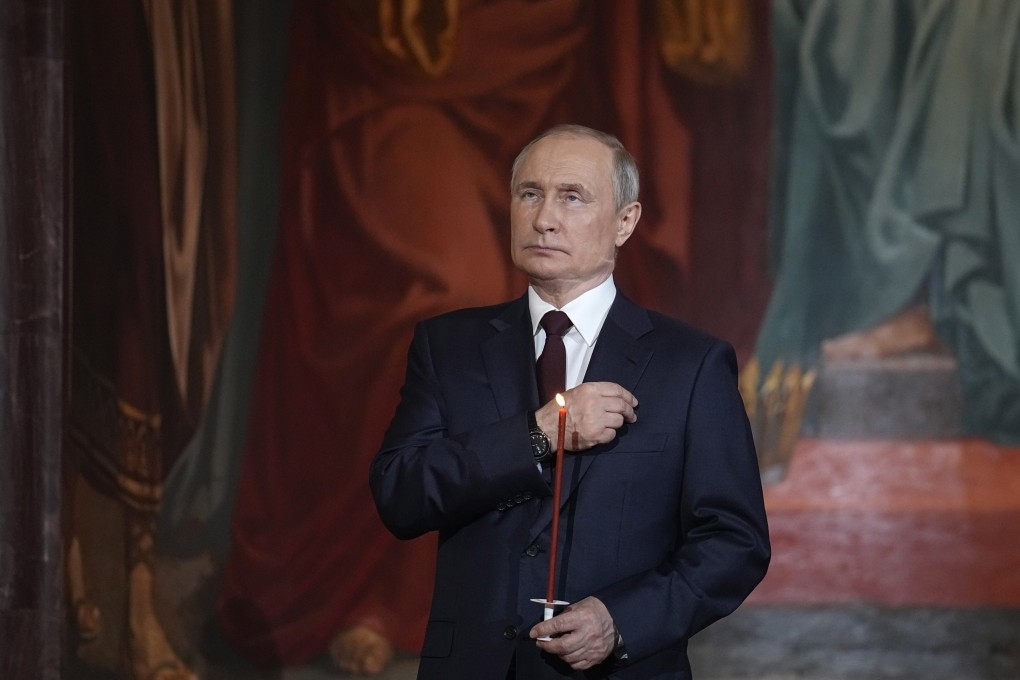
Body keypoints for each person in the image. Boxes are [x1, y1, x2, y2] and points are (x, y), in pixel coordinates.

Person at [370, 124, 770, 679]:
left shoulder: (691, 365)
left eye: (572, 197)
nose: (543, 218)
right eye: (529, 194)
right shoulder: (448, 347)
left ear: (625, 222)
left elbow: (735, 540)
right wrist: (538, 433)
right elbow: (400, 494)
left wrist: (621, 620)